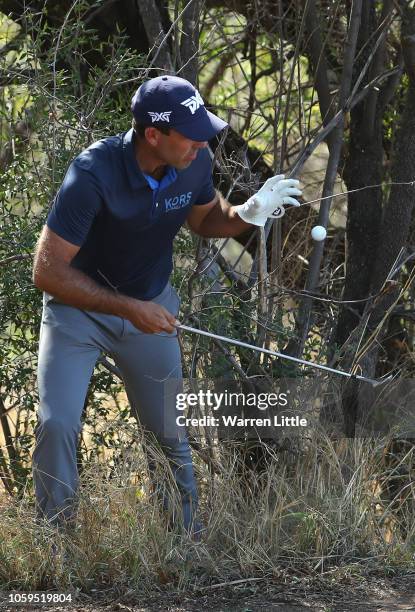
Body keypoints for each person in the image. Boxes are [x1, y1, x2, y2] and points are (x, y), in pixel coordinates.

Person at [32, 75, 302, 538]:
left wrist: (247, 212)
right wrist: (127, 309)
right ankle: (59, 548)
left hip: (149, 307)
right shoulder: (92, 174)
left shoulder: (195, 162)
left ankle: (185, 543)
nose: (202, 142)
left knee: (170, 435)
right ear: (153, 135)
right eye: (191, 133)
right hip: (76, 312)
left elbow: (205, 220)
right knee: (57, 424)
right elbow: (48, 271)